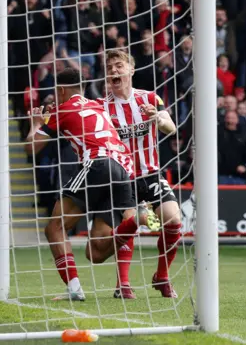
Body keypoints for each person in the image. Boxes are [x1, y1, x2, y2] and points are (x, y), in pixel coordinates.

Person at [24, 68, 145, 301]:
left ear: (60, 90)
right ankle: (134, 222)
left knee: (54, 228)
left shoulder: (64, 108)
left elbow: (31, 147)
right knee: (96, 252)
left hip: (98, 164)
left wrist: (35, 123)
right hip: (123, 169)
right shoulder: (97, 105)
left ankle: (74, 290)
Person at [100, 50, 181, 299]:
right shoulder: (102, 107)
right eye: (110, 67)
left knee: (174, 221)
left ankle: (162, 277)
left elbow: (171, 127)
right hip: (122, 177)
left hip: (151, 174)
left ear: (131, 70)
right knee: (131, 222)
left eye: (119, 65)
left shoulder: (149, 98)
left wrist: (156, 117)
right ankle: (122, 285)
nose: (114, 70)